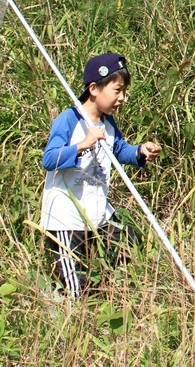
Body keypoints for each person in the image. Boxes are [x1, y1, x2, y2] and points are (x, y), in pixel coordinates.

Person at [40, 52, 161, 297]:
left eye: (124, 91)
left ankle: (115, 297)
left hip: (98, 215)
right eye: (117, 90)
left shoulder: (107, 123)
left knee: (130, 245)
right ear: (94, 89)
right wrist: (82, 145)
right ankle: (79, 311)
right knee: (76, 287)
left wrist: (140, 151)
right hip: (67, 219)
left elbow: (119, 150)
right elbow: (49, 159)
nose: (122, 98)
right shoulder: (69, 120)